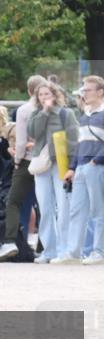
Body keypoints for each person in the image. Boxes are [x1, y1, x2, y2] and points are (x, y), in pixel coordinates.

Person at [0, 76, 48, 262]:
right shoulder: (51, 109)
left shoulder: (25, 110)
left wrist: (17, 160)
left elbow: (22, 140)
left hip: (27, 161)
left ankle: (10, 241)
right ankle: (45, 245)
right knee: (44, 205)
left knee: (14, 201)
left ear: (28, 90)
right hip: (47, 161)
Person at [26, 83, 79, 263]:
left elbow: (73, 140)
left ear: (54, 95)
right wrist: (44, 112)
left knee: (64, 208)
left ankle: (65, 249)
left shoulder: (66, 114)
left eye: (46, 93)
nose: (43, 97)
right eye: (40, 94)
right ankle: (49, 250)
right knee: (45, 208)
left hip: (60, 164)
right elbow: (33, 133)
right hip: (42, 166)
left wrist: (73, 166)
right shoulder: (36, 114)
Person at [59, 75, 104, 264]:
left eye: (87, 89)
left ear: (100, 92)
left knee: (98, 210)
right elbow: (80, 143)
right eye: (83, 90)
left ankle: (99, 252)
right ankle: (74, 252)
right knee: (76, 211)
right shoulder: (85, 114)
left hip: (97, 166)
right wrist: (72, 167)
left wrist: (96, 160)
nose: (84, 93)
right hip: (82, 167)